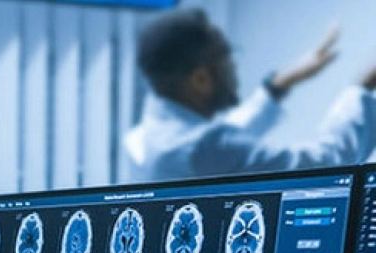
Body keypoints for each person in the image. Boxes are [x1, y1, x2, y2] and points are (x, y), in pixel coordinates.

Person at [124, 8, 376, 182]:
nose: (233, 65)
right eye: (226, 55)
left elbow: (226, 134)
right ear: (200, 79)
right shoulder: (201, 149)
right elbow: (327, 165)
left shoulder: (145, 138)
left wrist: (278, 85)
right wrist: (362, 86)